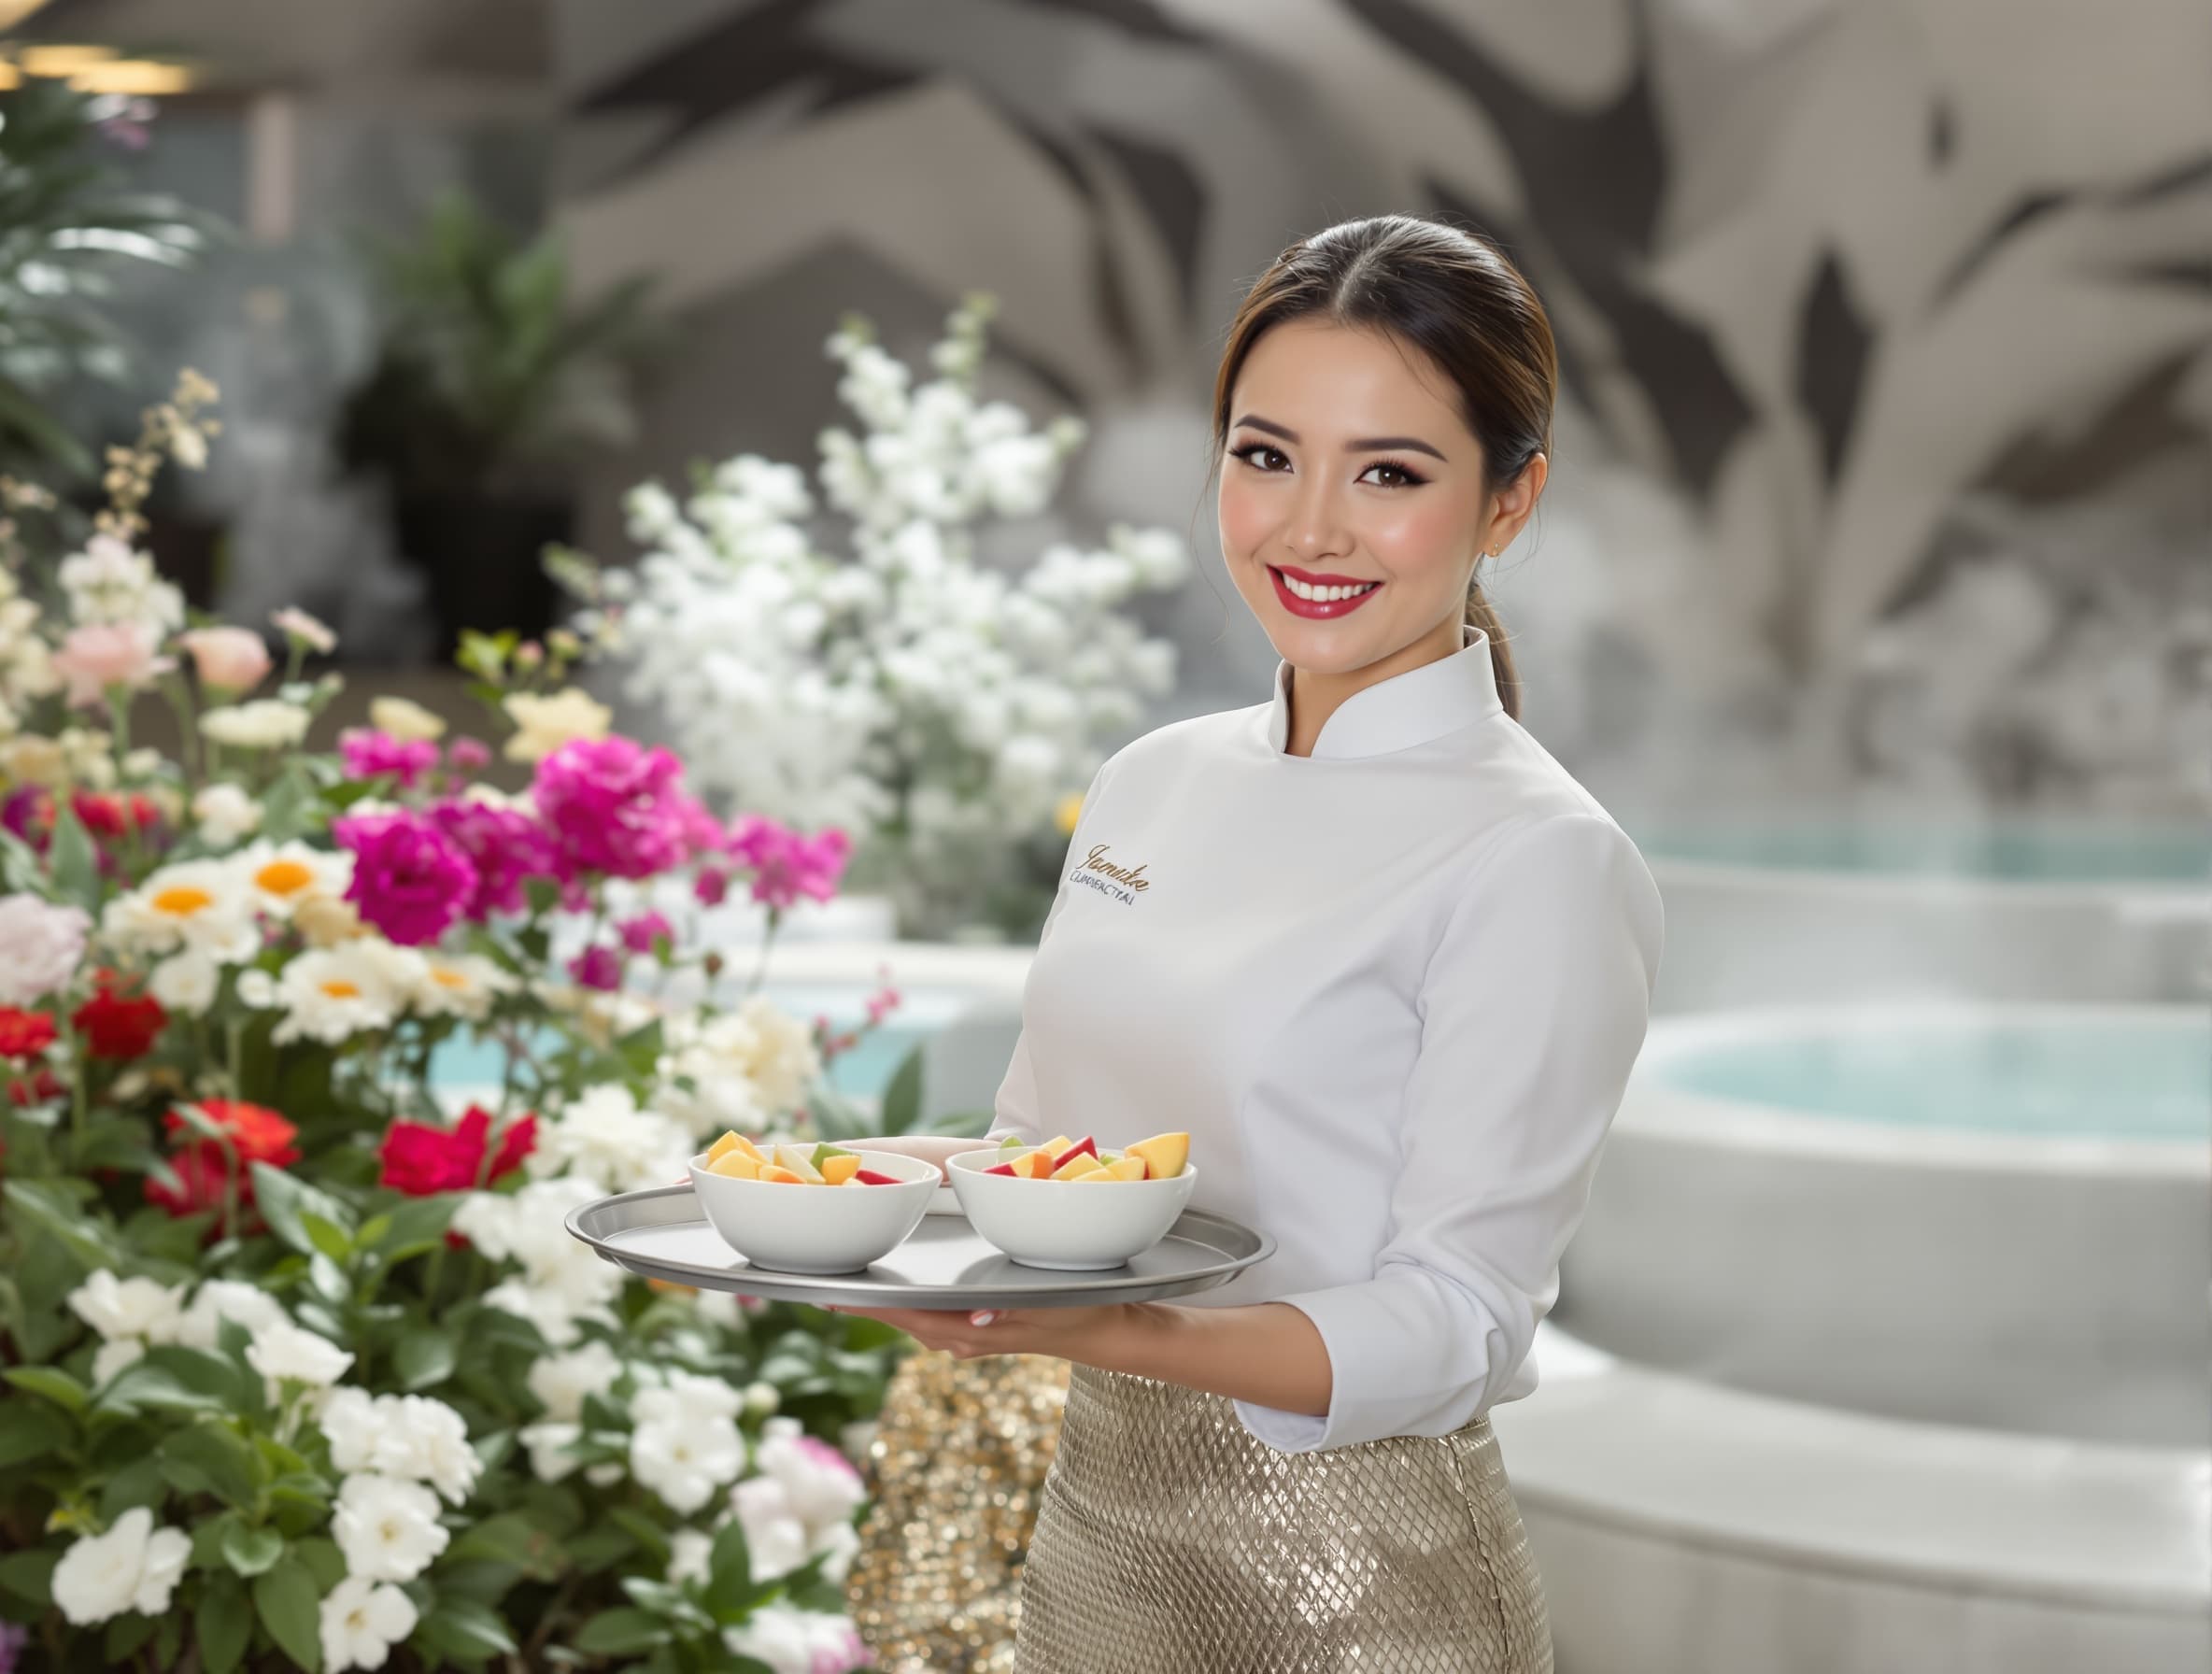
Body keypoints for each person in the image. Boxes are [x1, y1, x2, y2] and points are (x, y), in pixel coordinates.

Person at [837, 213, 1664, 1674]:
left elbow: (1460, 1320)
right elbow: (1048, 1154)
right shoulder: (1153, 778)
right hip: (1101, 1539)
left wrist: (1094, 1336)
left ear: (1510, 505)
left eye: (1390, 475)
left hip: (1365, 1583)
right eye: (1265, 455)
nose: (1309, 529)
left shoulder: (1540, 855)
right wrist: (814, 1208)